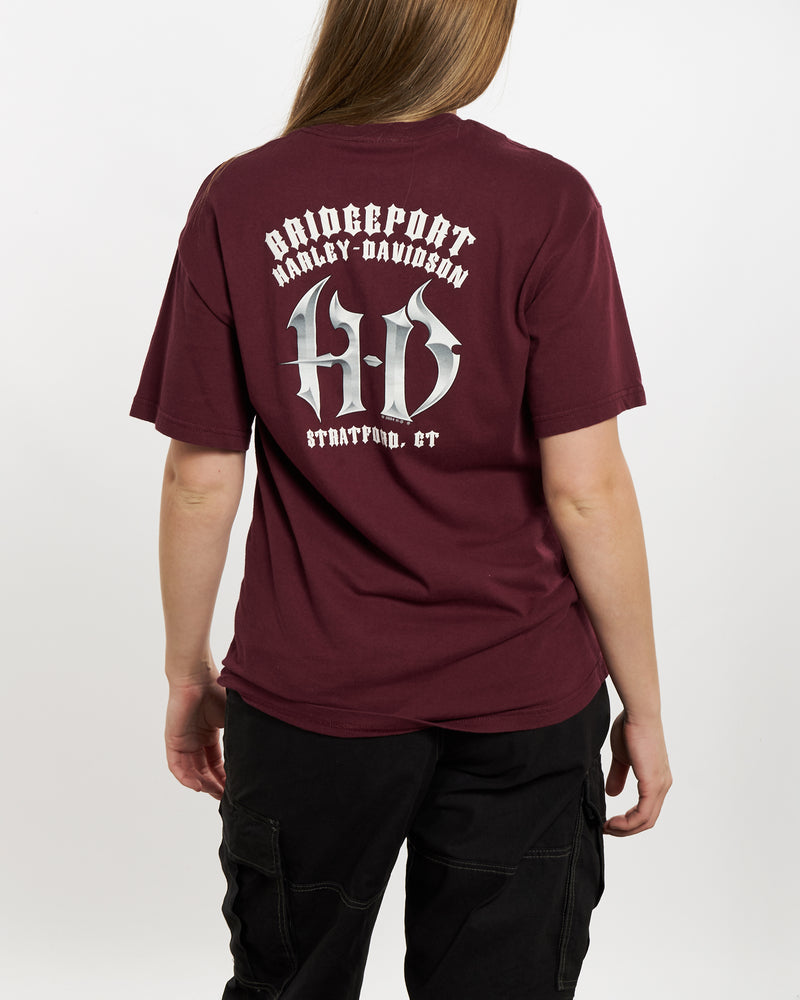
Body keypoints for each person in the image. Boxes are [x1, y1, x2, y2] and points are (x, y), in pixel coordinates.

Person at [130, 1, 672, 996]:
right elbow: (587, 489)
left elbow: (199, 477)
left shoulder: (239, 197)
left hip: (309, 696)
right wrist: (642, 703)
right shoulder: (545, 201)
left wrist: (186, 672)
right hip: (520, 695)